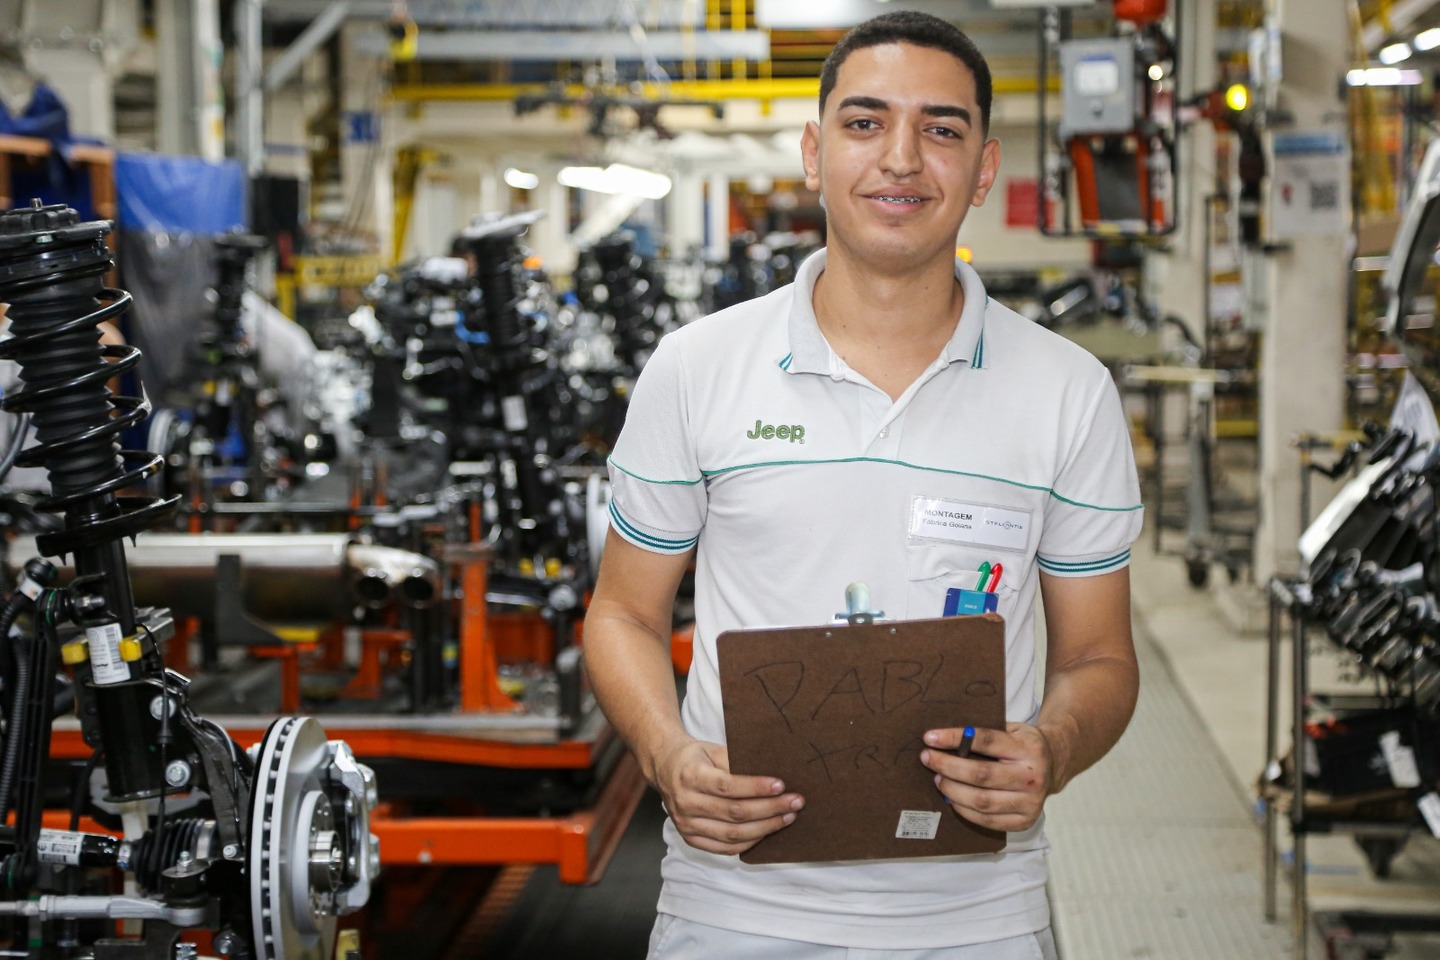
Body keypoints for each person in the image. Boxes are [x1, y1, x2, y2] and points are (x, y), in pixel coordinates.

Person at [584, 11, 1143, 958]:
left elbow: (1101, 659)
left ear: (984, 168)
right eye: (863, 122)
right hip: (735, 906)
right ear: (814, 152)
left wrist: (1052, 749)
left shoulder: (1067, 392)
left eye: (940, 128)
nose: (900, 159)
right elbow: (622, 616)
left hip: (979, 914)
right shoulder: (696, 368)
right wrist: (667, 754)